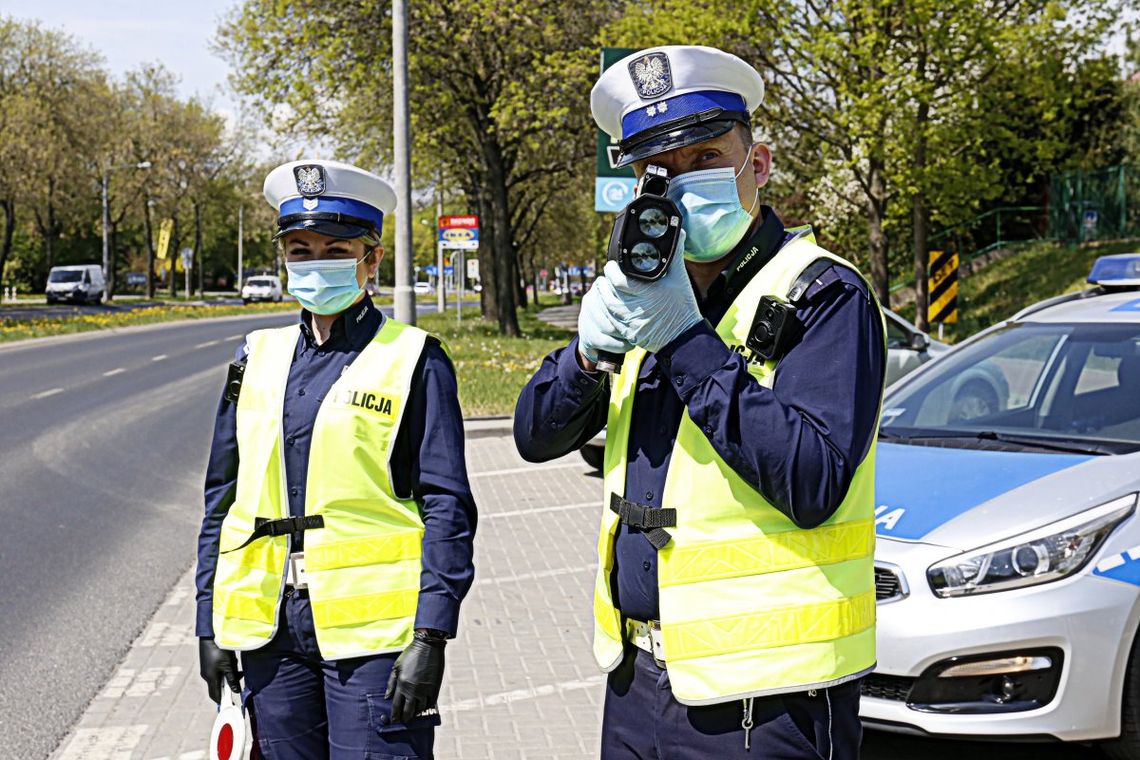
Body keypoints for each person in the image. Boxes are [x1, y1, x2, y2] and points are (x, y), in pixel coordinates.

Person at [514, 46, 885, 759]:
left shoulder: (823, 294)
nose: (686, 186)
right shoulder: (645, 290)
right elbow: (534, 435)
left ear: (760, 165)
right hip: (637, 680)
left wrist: (684, 339)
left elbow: (812, 482)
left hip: (767, 701)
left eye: (708, 158)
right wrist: (587, 352)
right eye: (663, 172)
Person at [195, 159, 476, 759]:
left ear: (372, 260)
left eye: (335, 249)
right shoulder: (254, 358)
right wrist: (208, 623)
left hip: (375, 641)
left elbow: (448, 508)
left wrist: (433, 633)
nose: (315, 263)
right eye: (300, 250)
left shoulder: (415, 359)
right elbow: (222, 499)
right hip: (270, 630)